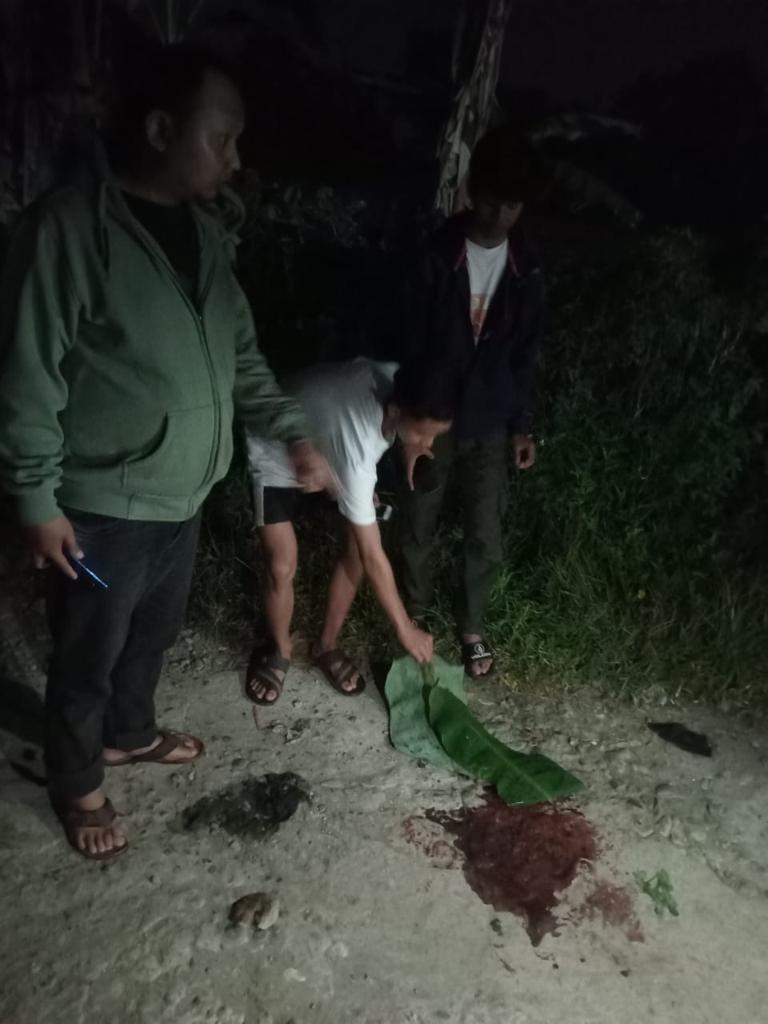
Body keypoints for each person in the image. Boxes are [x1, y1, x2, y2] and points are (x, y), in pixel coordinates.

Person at [0, 45, 330, 861]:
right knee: (88, 650)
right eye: (221, 138)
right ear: (158, 130)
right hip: (100, 508)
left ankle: (129, 734)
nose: (235, 158)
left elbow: (241, 355)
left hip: (182, 497)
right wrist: (36, 501)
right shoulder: (69, 230)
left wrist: (291, 428)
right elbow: (27, 373)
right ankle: (78, 782)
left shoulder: (206, 237)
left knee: (153, 631)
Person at [392, 129, 545, 679]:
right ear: (472, 190)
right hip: (432, 415)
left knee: (486, 530)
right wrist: (406, 411)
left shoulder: (527, 267)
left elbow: (525, 354)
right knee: (419, 519)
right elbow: (406, 338)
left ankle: (473, 626)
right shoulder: (437, 254)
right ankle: (410, 617)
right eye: (493, 199)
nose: (500, 215)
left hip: (490, 419)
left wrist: (522, 426)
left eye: (513, 204)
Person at [244, 357, 455, 704]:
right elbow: (375, 557)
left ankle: (326, 645)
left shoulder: (399, 377)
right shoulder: (358, 449)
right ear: (395, 411)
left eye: (434, 436)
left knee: (355, 549)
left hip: (329, 443)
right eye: (423, 433)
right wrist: (405, 629)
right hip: (274, 443)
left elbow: (358, 371)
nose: (427, 444)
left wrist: (410, 445)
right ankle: (280, 648)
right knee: (281, 563)